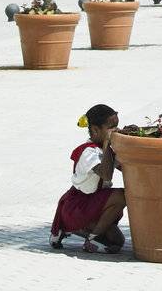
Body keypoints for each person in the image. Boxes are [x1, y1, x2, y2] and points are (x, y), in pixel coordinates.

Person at [51, 104, 126, 252]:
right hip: (77, 206)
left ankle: (78, 229)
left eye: (117, 126)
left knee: (118, 241)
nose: (116, 130)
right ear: (96, 130)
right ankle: (90, 238)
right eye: (111, 127)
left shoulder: (107, 151)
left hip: (94, 204)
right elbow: (106, 174)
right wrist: (106, 145)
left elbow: (125, 167)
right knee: (121, 196)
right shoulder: (88, 152)